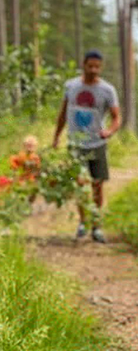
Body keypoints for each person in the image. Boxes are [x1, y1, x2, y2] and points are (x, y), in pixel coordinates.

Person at [53, 49, 122, 243]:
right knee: (80, 185)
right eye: (90, 65)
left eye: (97, 66)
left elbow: (117, 117)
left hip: (97, 144)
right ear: (83, 65)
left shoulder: (108, 90)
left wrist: (109, 131)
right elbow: (62, 113)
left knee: (97, 186)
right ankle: (82, 223)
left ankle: (97, 226)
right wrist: (56, 137)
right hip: (75, 144)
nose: (93, 69)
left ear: (101, 67)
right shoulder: (71, 86)